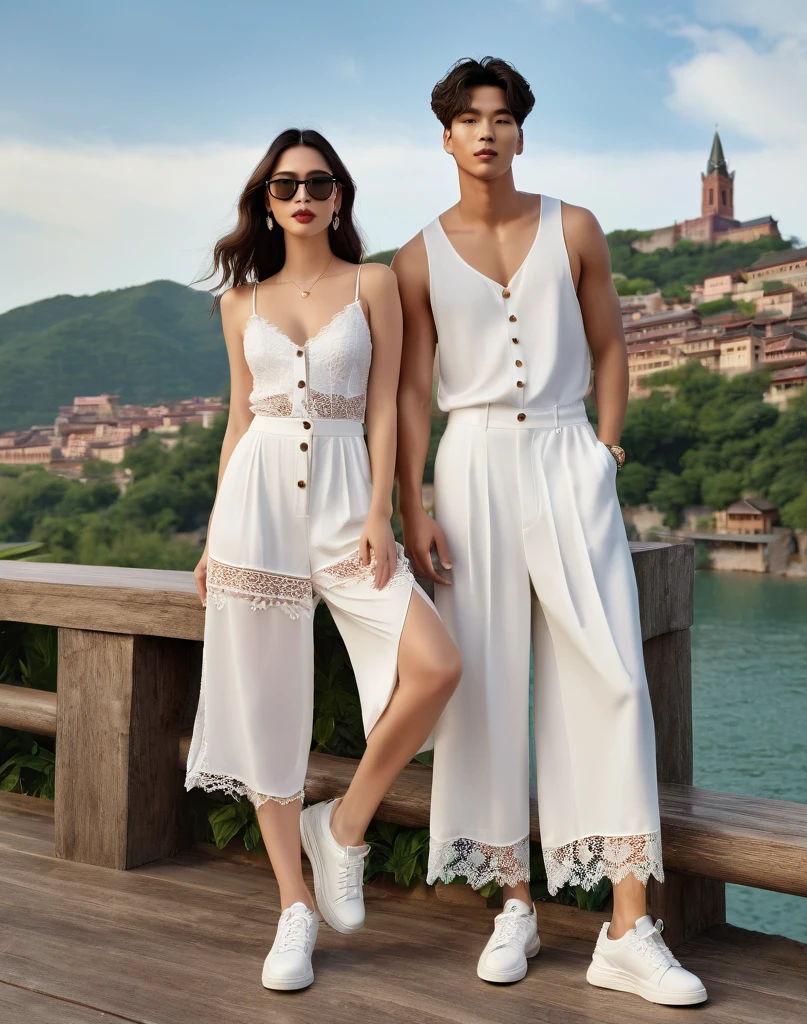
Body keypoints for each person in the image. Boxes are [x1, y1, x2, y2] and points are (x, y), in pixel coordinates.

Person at [392, 58, 707, 1007]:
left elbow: (613, 346)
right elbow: (411, 391)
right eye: (467, 120)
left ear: (522, 132)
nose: (486, 133)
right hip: (471, 461)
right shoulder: (414, 259)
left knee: (611, 680)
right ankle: (514, 904)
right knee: (485, 684)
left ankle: (628, 927)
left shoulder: (575, 227)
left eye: (502, 118)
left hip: (570, 454)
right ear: (444, 137)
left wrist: (605, 452)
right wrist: (413, 504)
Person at [187, 128, 461, 993]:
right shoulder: (241, 304)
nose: (300, 196)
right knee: (265, 710)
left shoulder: (372, 284)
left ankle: (341, 827)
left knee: (436, 665)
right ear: (265, 202)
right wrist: (209, 534)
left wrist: (382, 510)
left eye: (317, 182)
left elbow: (386, 406)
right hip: (254, 513)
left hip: (350, 510)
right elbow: (240, 418)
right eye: (283, 186)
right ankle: (293, 909)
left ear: (339, 195)